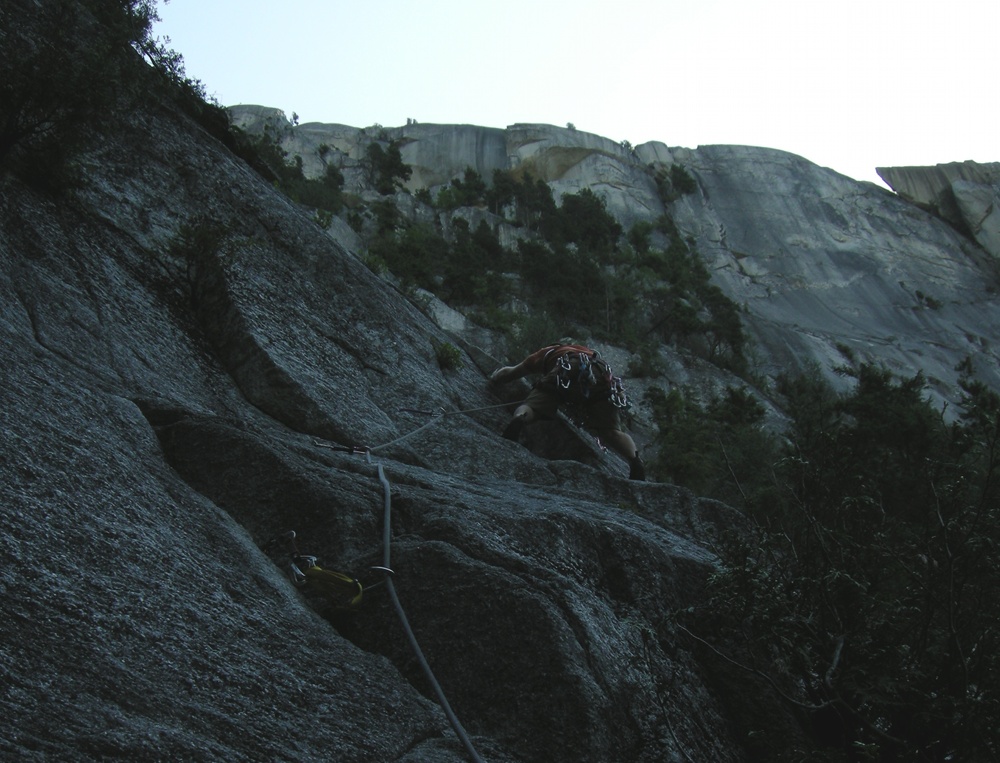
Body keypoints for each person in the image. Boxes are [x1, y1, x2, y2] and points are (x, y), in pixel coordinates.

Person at [490, 342, 645, 480]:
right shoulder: (591, 353)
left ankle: (520, 418)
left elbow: (511, 372)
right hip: (601, 374)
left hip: (566, 367)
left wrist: (495, 378)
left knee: (533, 407)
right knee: (611, 431)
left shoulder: (545, 354)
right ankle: (635, 460)